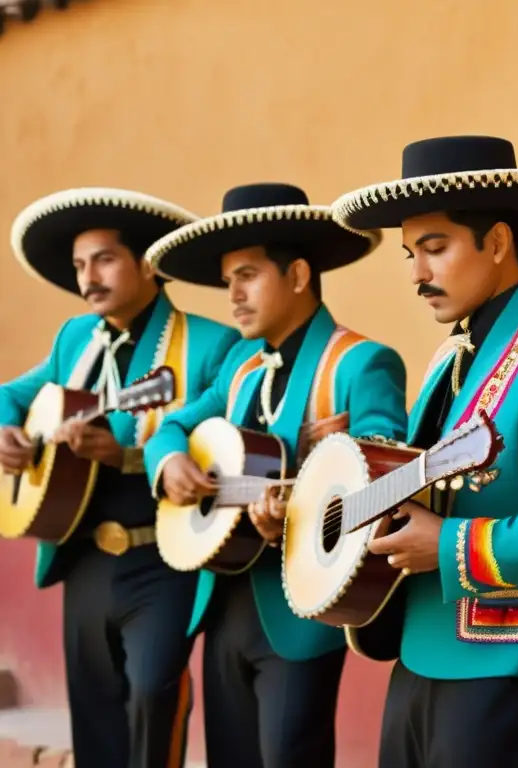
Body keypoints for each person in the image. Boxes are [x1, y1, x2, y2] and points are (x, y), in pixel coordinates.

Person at [332, 135, 518, 768]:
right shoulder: (449, 356)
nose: (416, 274)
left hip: (506, 662)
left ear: (496, 243)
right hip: (418, 648)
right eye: (412, 253)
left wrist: (441, 544)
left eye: (435, 249)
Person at [142, 183, 408, 768]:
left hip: (302, 611)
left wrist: (310, 493)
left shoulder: (362, 361)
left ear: (298, 275)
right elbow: (171, 426)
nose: (232, 294)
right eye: (227, 280)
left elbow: (385, 484)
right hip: (223, 597)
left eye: (246, 275)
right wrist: (171, 464)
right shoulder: (238, 365)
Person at [0, 188, 240, 768]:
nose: (88, 279)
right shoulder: (74, 340)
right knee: (95, 714)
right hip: (82, 556)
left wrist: (128, 456)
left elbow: (222, 452)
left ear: (149, 263)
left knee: (154, 695)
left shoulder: (212, 345)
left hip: (161, 559)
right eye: (80, 265)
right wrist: (8, 430)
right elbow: (11, 395)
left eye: (104, 259)